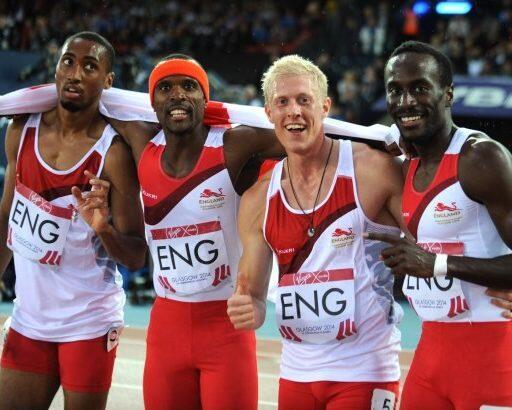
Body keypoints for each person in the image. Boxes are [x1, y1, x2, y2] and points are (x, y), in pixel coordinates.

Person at [227, 54, 407, 409]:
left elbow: (432, 238)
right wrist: (250, 308)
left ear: (325, 107)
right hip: (296, 375)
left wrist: (488, 277)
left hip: (366, 371)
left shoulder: (373, 171)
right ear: (269, 113)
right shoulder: (258, 198)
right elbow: (254, 296)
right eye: (282, 102)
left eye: (304, 100)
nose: (293, 111)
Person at [109, 54, 285, 410]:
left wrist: (373, 139)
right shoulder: (141, 143)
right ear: (152, 103)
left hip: (227, 326)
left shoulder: (234, 145)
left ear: (206, 99)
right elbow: (94, 102)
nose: (177, 94)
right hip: (166, 328)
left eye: (189, 86)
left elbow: (303, 135)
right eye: (165, 88)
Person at [0, 32, 146, 410]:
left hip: (89, 323)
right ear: (56, 68)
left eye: (89, 66)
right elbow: (5, 219)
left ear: (107, 81)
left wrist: (103, 229)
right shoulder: (21, 131)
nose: (75, 73)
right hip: (28, 319)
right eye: (68, 61)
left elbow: (135, 255)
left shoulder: (112, 153)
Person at [367, 40, 512, 408]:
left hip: (493, 356)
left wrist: (437, 264)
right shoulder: (405, 163)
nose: (406, 101)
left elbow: (434, 262)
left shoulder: (481, 157)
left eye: (419, 88)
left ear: (447, 94)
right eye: (395, 91)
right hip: (430, 354)